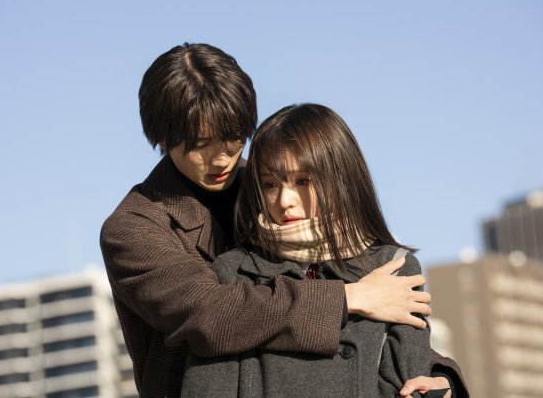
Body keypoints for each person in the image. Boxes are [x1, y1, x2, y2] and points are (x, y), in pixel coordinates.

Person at [100, 43, 466, 397]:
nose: (221, 158)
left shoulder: (270, 184)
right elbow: (208, 315)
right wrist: (347, 297)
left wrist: (438, 376)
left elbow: (371, 311)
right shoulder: (133, 228)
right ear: (164, 138)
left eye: (233, 137)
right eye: (200, 144)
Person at [181, 103, 466, 398]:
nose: (284, 200)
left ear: (341, 178)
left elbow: (410, 383)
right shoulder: (235, 271)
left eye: (302, 181)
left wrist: (443, 384)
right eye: (269, 184)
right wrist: (349, 299)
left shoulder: (394, 267)